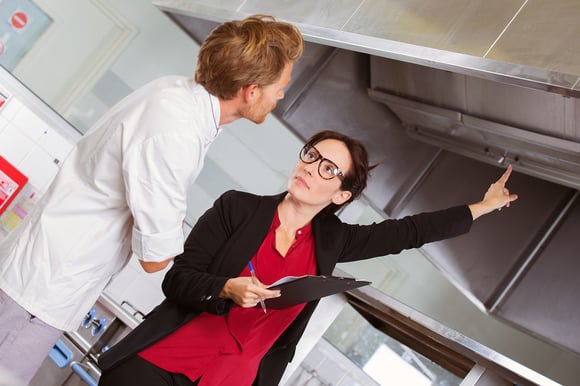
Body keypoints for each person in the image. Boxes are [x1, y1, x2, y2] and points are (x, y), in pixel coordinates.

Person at [0, 14, 303, 384]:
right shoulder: (176, 132)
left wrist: (169, 221)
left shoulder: (175, 96)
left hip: (41, 281)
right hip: (39, 293)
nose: (282, 95)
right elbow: (155, 258)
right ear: (251, 91)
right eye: (280, 86)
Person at [97, 130, 518, 386]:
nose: (312, 167)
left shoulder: (334, 241)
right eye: (311, 155)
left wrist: (480, 208)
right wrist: (225, 288)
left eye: (329, 169)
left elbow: (408, 233)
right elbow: (178, 280)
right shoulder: (237, 207)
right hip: (160, 363)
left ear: (341, 196)